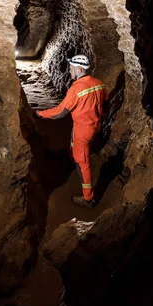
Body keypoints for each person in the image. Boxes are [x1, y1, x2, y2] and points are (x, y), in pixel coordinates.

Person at [35, 54, 108, 208]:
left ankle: (88, 199)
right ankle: (73, 155)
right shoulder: (99, 84)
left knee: (83, 163)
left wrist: (41, 114)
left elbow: (60, 112)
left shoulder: (76, 89)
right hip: (95, 125)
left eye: (71, 69)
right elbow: (105, 105)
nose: (70, 72)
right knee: (75, 145)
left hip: (83, 129)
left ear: (79, 69)